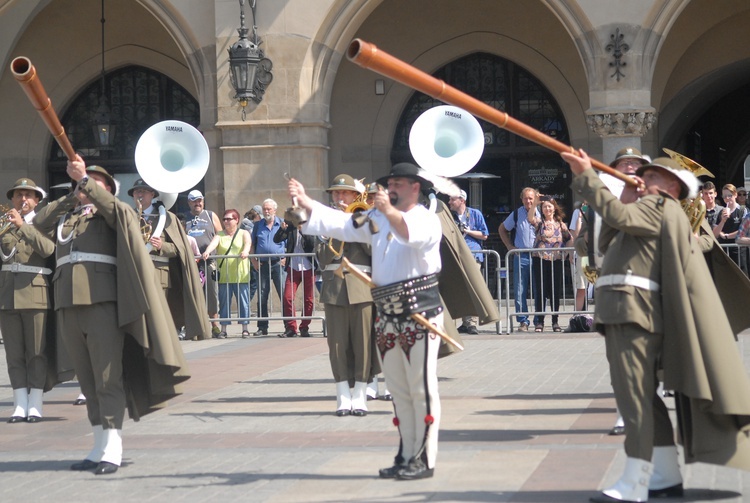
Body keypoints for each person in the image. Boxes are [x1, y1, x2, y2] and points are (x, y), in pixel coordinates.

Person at [563, 150, 750, 503]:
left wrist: (585, 174)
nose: (642, 180)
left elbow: (617, 215)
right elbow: (604, 244)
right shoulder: (648, 209)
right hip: (626, 311)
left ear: (671, 185)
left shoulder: (661, 206)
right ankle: (663, 477)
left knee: (634, 398)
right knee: (642, 398)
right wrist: (628, 198)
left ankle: (635, 482)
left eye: (650, 176)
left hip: (633, 311)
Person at [34, 157, 189, 475]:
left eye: (94, 181)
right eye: (83, 181)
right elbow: (38, 224)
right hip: (68, 304)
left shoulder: (115, 213)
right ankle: (98, 444)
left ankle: (113, 448)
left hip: (102, 303)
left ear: (107, 189)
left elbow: (119, 212)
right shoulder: (68, 217)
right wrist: (71, 193)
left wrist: (87, 183)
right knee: (88, 381)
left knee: (107, 378)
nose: (85, 184)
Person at [290, 163, 444, 480]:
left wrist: (386, 210)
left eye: (398, 183)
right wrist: (307, 203)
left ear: (415, 187)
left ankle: (424, 458)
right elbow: (344, 224)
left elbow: (409, 236)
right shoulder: (376, 217)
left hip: (419, 314)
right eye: (390, 184)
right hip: (388, 313)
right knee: (399, 390)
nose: (391, 189)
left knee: (421, 388)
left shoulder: (425, 218)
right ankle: (406, 453)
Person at [574, 146, 648, 435]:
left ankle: (644, 410)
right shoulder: (599, 204)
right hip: (611, 285)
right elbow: (584, 242)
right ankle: (623, 415)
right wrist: (586, 243)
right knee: (618, 356)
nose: (629, 167)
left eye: (634, 163)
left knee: (644, 356)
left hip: (645, 286)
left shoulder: (652, 199)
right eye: (624, 163)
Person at [315, 174, 376, 415]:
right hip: (335, 289)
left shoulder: (366, 219)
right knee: (337, 345)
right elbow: (322, 258)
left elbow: (374, 251)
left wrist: (355, 224)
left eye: (344, 193)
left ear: (355, 196)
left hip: (362, 287)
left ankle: (360, 395)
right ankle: (342, 396)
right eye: (336, 193)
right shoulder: (326, 224)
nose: (340, 198)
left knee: (363, 343)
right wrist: (335, 229)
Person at [1, 178, 56, 423]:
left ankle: (35, 404)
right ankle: (19, 403)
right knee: (13, 354)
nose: (23, 200)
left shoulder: (42, 223)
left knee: (36, 352)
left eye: (28, 195)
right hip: (7, 296)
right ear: (12, 199)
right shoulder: (4, 224)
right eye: (18, 195)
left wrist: (23, 225)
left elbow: (47, 250)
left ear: (37, 200)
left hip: (35, 294)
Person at [130, 180, 209, 342]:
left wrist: (161, 246)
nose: (139, 195)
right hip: (134, 271)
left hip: (159, 273)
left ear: (152, 194)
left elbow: (180, 249)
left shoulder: (165, 218)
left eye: (143, 191)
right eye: (136, 192)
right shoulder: (128, 217)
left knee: (159, 315)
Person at [202, 209, 252, 338]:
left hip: (241, 275)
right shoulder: (220, 234)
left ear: (236, 220)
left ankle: (245, 328)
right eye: (224, 219)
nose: (226, 221)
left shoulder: (243, 233)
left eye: (229, 219)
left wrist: (246, 251)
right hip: (225, 275)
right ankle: (223, 329)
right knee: (224, 303)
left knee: (243, 303)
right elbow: (213, 244)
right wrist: (207, 251)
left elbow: (248, 243)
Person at [527, 196, 572, 332]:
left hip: (556, 260)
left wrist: (569, 253)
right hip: (540, 259)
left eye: (549, 206)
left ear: (554, 208)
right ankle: (539, 321)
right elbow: (530, 218)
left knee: (554, 291)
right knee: (540, 290)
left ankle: (555, 321)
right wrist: (535, 204)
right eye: (545, 206)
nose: (547, 209)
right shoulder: (539, 223)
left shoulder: (561, 224)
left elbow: (569, 239)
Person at [497, 187, 539, 331]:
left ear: (535, 199)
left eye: (531, 198)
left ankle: (539, 321)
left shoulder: (543, 212)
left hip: (539, 256)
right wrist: (509, 246)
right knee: (520, 289)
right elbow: (502, 229)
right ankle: (523, 321)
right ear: (521, 199)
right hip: (521, 256)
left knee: (539, 289)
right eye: (526, 198)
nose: (528, 201)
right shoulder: (516, 214)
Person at [448, 189, 488, 334]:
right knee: (456, 289)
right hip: (455, 255)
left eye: (452, 199)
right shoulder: (449, 216)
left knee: (471, 288)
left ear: (462, 200)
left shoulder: (475, 214)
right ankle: (454, 322)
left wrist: (468, 231)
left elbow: (484, 235)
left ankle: (470, 323)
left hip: (473, 255)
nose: (449, 202)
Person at [185, 189, 222, 337]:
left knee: (211, 293)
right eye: (194, 201)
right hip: (192, 261)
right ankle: (195, 326)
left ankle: (214, 325)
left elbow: (220, 235)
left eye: (199, 200)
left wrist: (210, 249)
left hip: (209, 261)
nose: (197, 203)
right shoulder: (184, 218)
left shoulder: (210, 215)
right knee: (193, 293)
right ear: (189, 202)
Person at [250, 199, 286, 336]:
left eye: (269, 209)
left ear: (275, 210)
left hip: (278, 264)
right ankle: (262, 327)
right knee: (262, 296)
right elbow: (253, 244)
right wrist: (253, 260)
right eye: (264, 209)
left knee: (284, 296)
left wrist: (286, 258)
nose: (266, 211)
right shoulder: (258, 225)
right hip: (263, 264)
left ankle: (289, 325)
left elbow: (290, 242)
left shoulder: (282, 223)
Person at [274, 219, 315, 338]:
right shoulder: (291, 227)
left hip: (308, 266)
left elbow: (312, 244)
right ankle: (291, 328)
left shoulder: (310, 226)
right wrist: (282, 229)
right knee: (287, 297)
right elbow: (277, 240)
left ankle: (304, 327)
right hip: (293, 266)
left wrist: (303, 231)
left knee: (309, 299)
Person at [713, 183, 746, 268]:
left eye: (729, 195)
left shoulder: (742, 210)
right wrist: (723, 221)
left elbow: (743, 231)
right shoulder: (721, 212)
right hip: (724, 252)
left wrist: (726, 236)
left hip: (738, 251)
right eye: (724, 197)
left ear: (735, 195)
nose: (727, 199)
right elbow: (715, 234)